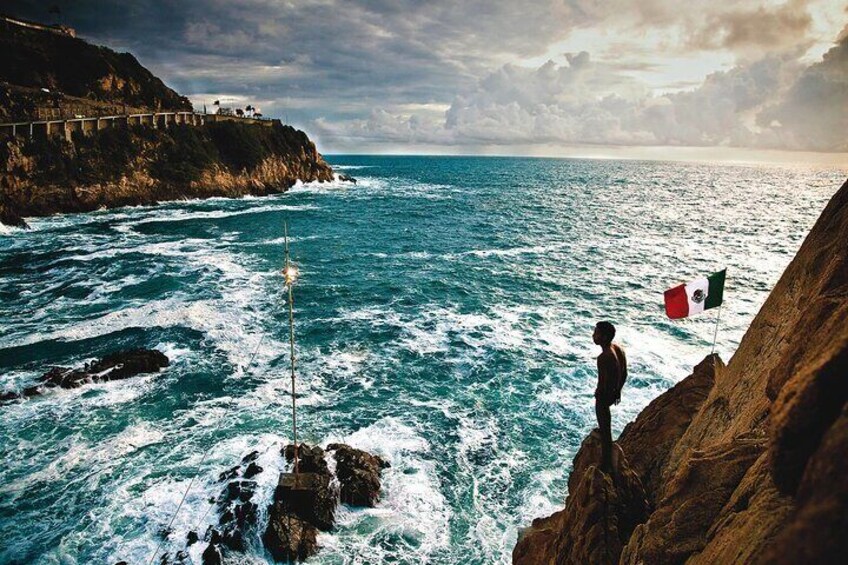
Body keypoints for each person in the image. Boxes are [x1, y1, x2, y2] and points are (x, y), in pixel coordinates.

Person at [592, 321, 627, 473]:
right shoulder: (617, 348)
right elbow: (624, 372)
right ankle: (606, 454)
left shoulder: (603, 357)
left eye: (596, 333)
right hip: (615, 391)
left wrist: (599, 395)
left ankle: (605, 463)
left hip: (605, 396)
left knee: (605, 429)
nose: (593, 335)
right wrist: (618, 391)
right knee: (605, 425)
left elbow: (602, 383)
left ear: (604, 337)